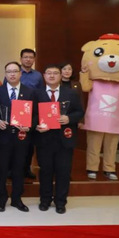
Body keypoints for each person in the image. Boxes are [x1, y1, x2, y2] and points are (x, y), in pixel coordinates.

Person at [34, 64, 84, 214]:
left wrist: (69, 118)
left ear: (61, 76)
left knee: (63, 172)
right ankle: (45, 200)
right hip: (44, 139)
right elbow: (32, 115)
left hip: (64, 139)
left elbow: (80, 112)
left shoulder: (71, 93)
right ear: (44, 76)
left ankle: (61, 202)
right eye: (48, 73)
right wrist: (37, 125)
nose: (51, 76)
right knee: (45, 171)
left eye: (55, 73)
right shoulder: (36, 93)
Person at [0, 61, 36, 213]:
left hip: (22, 136)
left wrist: (30, 126)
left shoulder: (30, 92)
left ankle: (17, 199)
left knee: (19, 168)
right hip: (3, 136)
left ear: (20, 74)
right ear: (5, 74)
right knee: (2, 168)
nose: (12, 74)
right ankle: (1, 199)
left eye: (15, 71)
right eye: (9, 71)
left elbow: (35, 114)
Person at [19, 48, 43, 180]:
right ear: (21, 59)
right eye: (25, 57)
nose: (28, 59)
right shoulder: (15, 72)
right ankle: (13, 168)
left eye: (31, 57)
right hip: (17, 110)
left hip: (32, 111)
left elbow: (41, 93)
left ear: (34, 59)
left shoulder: (38, 75)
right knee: (16, 141)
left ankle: (27, 168)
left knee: (29, 143)